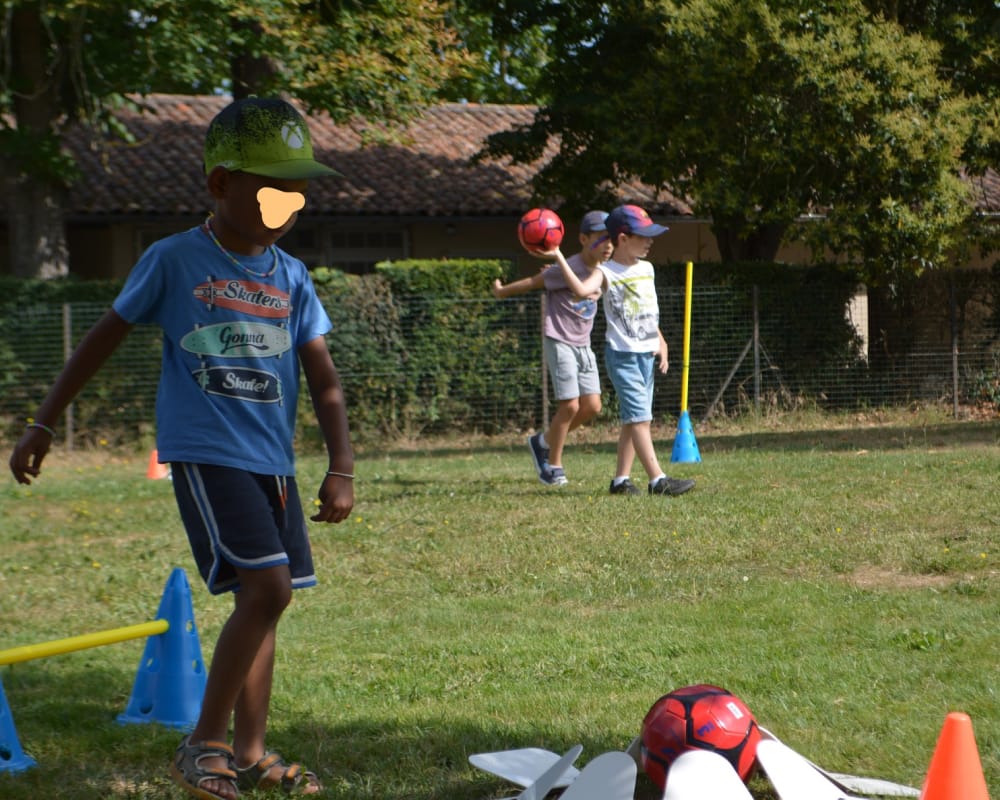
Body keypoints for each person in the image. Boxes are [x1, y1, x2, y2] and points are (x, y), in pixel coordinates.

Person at [9, 97, 355, 800]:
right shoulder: (173, 259)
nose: (285, 202)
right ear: (219, 183)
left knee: (267, 602)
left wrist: (341, 465)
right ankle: (204, 744)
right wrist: (44, 422)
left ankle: (252, 752)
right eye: (268, 186)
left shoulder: (291, 276)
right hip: (209, 452)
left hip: (275, 465)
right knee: (267, 589)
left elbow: (324, 381)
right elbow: (101, 338)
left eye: (295, 189)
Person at [550, 204, 695, 497]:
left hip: (646, 354)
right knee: (641, 418)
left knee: (633, 419)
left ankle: (620, 481)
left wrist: (661, 342)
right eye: (643, 236)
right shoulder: (606, 272)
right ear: (623, 238)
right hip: (623, 356)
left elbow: (647, 313)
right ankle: (658, 480)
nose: (650, 241)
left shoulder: (647, 269)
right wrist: (557, 257)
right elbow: (580, 290)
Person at [493, 211, 613, 485]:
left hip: (583, 345)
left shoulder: (605, 271)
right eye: (601, 238)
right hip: (559, 340)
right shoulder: (565, 267)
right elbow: (533, 283)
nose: (608, 245)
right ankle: (553, 465)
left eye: (611, 240)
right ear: (583, 239)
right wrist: (502, 291)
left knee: (592, 406)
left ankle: (543, 441)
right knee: (569, 406)